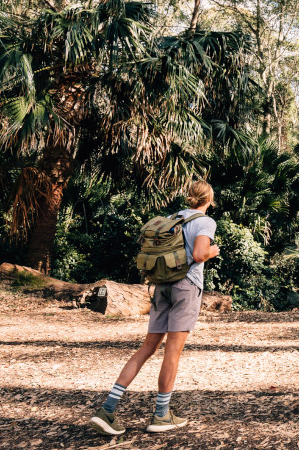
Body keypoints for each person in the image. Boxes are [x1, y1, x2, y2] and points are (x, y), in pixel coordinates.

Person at [89, 180, 220, 434]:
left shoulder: (174, 218)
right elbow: (200, 254)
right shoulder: (206, 221)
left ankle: (108, 408)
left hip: (161, 285)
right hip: (186, 287)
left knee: (147, 347)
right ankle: (161, 415)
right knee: (172, 352)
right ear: (209, 199)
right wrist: (212, 252)